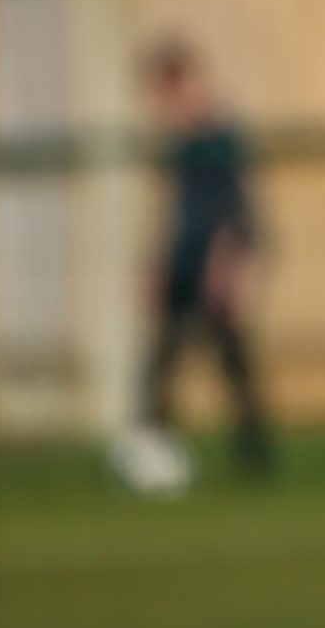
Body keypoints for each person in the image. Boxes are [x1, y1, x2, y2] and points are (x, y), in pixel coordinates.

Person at [138, 33, 274, 477]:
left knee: (232, 362)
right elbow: (173, 210)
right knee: (163, 360)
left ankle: (254, 455)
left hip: (213, 267)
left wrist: (227, 267)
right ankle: (152, 447)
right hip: (183, 263)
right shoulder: (177, 142)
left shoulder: (218, 136)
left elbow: (236, 208)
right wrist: (156, 266)